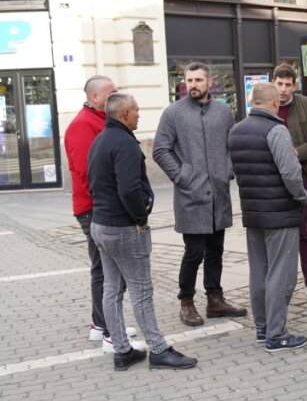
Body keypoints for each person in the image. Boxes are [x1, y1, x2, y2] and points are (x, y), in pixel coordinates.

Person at [88, 92, 198, 371]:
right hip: (123, 227)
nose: (139, 115)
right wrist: (140, 219)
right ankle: (159, 350)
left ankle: (123, 350)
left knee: (112, 289)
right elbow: (128, 188)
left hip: (100, 224)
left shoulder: (100, 140)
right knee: (141, 291)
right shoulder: (124, 143)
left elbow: (93, 183)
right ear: (124, 114)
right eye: (136, 111)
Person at [153, 62, 247, 327]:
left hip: (218, 194)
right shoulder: (173, 113)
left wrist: (226, 171)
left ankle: (215, 299)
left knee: (216, 250)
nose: (192, 85)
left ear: (209, 82)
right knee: (193, 252)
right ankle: (186, 301)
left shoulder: (223, 112)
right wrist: (183, 176)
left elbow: (233, 146)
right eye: (189, 80)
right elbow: (160, 150)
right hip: (190, 196)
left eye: (198, 80)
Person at [228, 82, 307, 352]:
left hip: (253, 212)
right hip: (280, 213)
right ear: (274, 102)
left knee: (259, 271)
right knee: (281, 274)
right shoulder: (276, 130)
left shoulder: (236, 131)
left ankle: (263, 327)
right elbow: (290, 173)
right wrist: (301, 197)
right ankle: (277, 334)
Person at [64, 75, 141, 353]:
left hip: (99, 207)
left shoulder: (98, 120)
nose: (116, 95)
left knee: (103, 269)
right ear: (95, 97)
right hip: (94, 209)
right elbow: (90, 173)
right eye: (111, 93)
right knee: (106, 273)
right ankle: (109, 332)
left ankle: (102, 325)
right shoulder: (82, 126)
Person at [272, 64, 307, 303]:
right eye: (279, 84)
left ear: (294, 86)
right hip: (274, 178)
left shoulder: (306, 105)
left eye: (288, 85)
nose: (283, 89)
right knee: (278, 234)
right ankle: (280, 284)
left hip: (303, 174)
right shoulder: (266, 105)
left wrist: (297, 152)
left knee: (305, 231)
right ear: (273, 82)